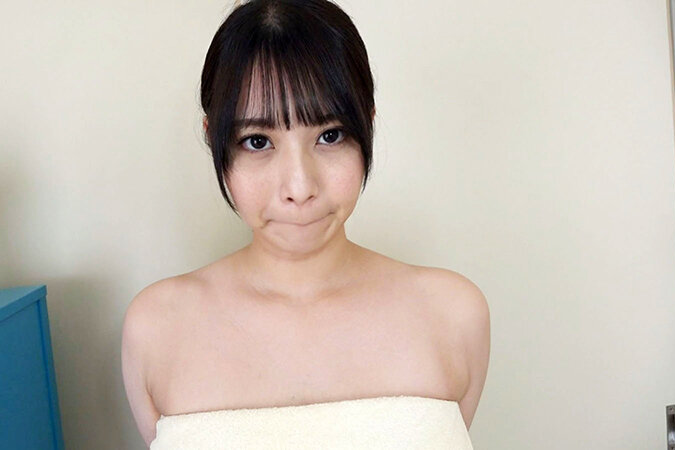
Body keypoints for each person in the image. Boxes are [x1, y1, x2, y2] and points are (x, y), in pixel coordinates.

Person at [122, 0, 490, 448]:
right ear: (213, 139)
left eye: (330, 135)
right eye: (257, 141)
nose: (299, 187)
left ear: (368, 127)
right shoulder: (157, 326)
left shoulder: (452, 313)